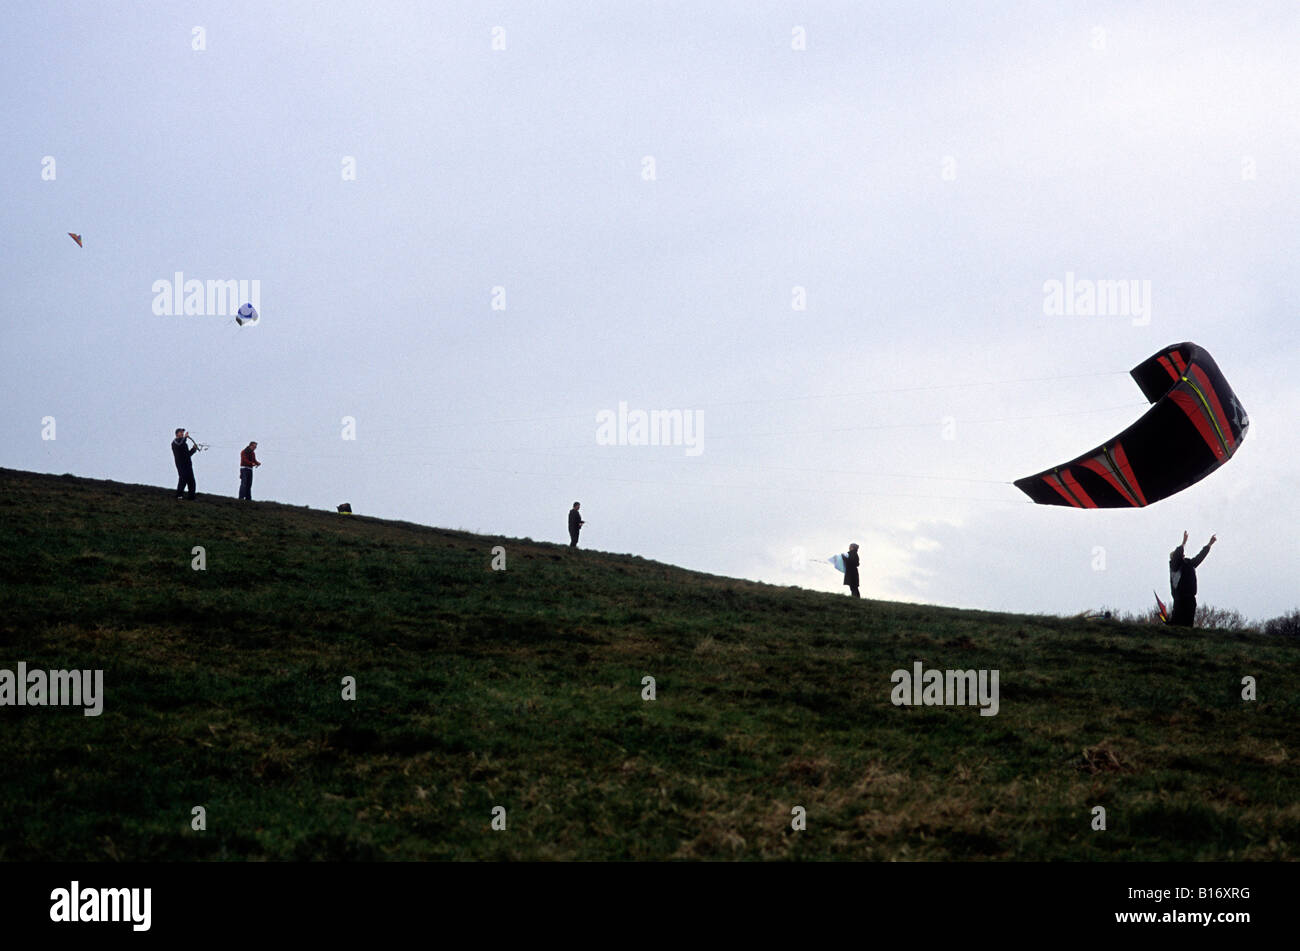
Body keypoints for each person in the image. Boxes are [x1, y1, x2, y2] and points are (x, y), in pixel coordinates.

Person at [1169, 531, 1216, 627]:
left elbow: (1199, 557)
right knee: (1177, 622)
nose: (1183, 555)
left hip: (1190, 598)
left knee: (1188, 623)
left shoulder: (1188, 563)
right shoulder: (1174, 566)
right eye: (1181, 554)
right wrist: (1183, 542)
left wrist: (1209, 545)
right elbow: (1178, 554)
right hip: (1179, 598)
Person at [171, 428, 198, 500]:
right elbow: (180, 444)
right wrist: (185, 437)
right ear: (177, 434)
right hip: (181, 465)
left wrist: (193, 449)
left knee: (191, 481)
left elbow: (187, 455)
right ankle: (179, 496)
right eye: (180, 432)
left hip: (188, 465)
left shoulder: (184, 444)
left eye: (183, 432)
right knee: (183, 479)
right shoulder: (175, 442)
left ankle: (191, 497)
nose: (182, 433)